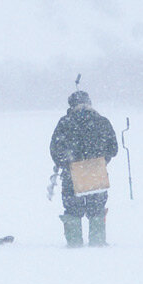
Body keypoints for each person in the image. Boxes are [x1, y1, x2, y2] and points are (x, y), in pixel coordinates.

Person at [50, 90, 118, 247]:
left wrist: (67, 164)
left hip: (71, 172)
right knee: (97, 209)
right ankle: (98, 242)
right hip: (96, 171)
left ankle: (74, 244)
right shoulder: (102, 122)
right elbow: (113, 148)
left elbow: (55, 149)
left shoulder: (65, 122)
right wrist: (101, 161)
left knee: (73, 210)